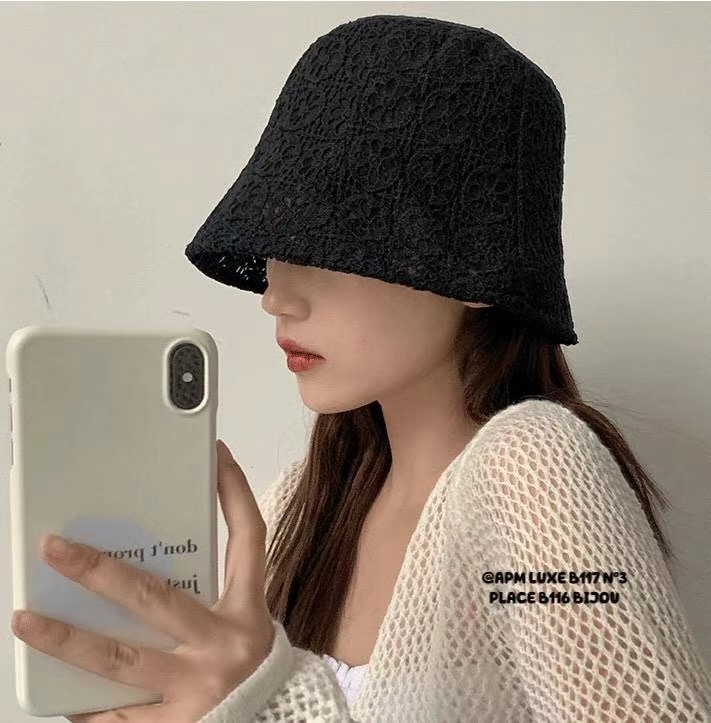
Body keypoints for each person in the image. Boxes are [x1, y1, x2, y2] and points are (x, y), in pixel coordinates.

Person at [184, 14, 711, 721]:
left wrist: (277, 701)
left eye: (327, 244)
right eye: (278, 243)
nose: (277, 296)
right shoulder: (297, 507)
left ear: (476, 268)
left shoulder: (532, 472)